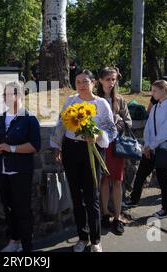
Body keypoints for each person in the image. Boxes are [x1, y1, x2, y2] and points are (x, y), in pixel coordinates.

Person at [51, 70, 117, 252]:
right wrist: (56, 146)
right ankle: (82, 236)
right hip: (71, 150)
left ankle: (96, 239)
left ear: (94, 83)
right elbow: (61, 124)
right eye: (77, 81)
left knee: (92, 196)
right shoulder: (71, 101)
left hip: (92, 151)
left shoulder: (101, 103)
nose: (81, 85)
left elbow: (111, 130)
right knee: (76, 196)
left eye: (85, 81)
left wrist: (97, 135)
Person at [0, 81, 41, 252]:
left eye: (10, 94)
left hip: (20, 172)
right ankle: (14, 240)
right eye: (4, 94)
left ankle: (26, 245)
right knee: (8, 207)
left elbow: (35, 145)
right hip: (2, 171)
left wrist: (12, 148)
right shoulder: (0, 117)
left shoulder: (29, 119)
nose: (6, 97)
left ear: (20, 95)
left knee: (22, 209)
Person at [124, 80, 167, 219]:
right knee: (141, 174)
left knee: (163, 179)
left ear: (164, 91)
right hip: (151, 148)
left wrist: (151, 145)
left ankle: (166, 209)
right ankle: (134, 199)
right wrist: (147, 145)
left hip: (163, 150)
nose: (152, 93)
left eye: (154, 91)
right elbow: (149, 128)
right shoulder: (156, 107)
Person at [97, 67, 132, 235]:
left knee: (117, 181)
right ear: (101, 80)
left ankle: (117, 218)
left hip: (116, 145)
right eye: (108, 79)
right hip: (100, 145)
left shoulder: (120, 100)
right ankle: (105, 214)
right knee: (103, 180)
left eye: (114, 79)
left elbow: (128, 122)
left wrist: (117, 124)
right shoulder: (94, 99)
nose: (111, 82)